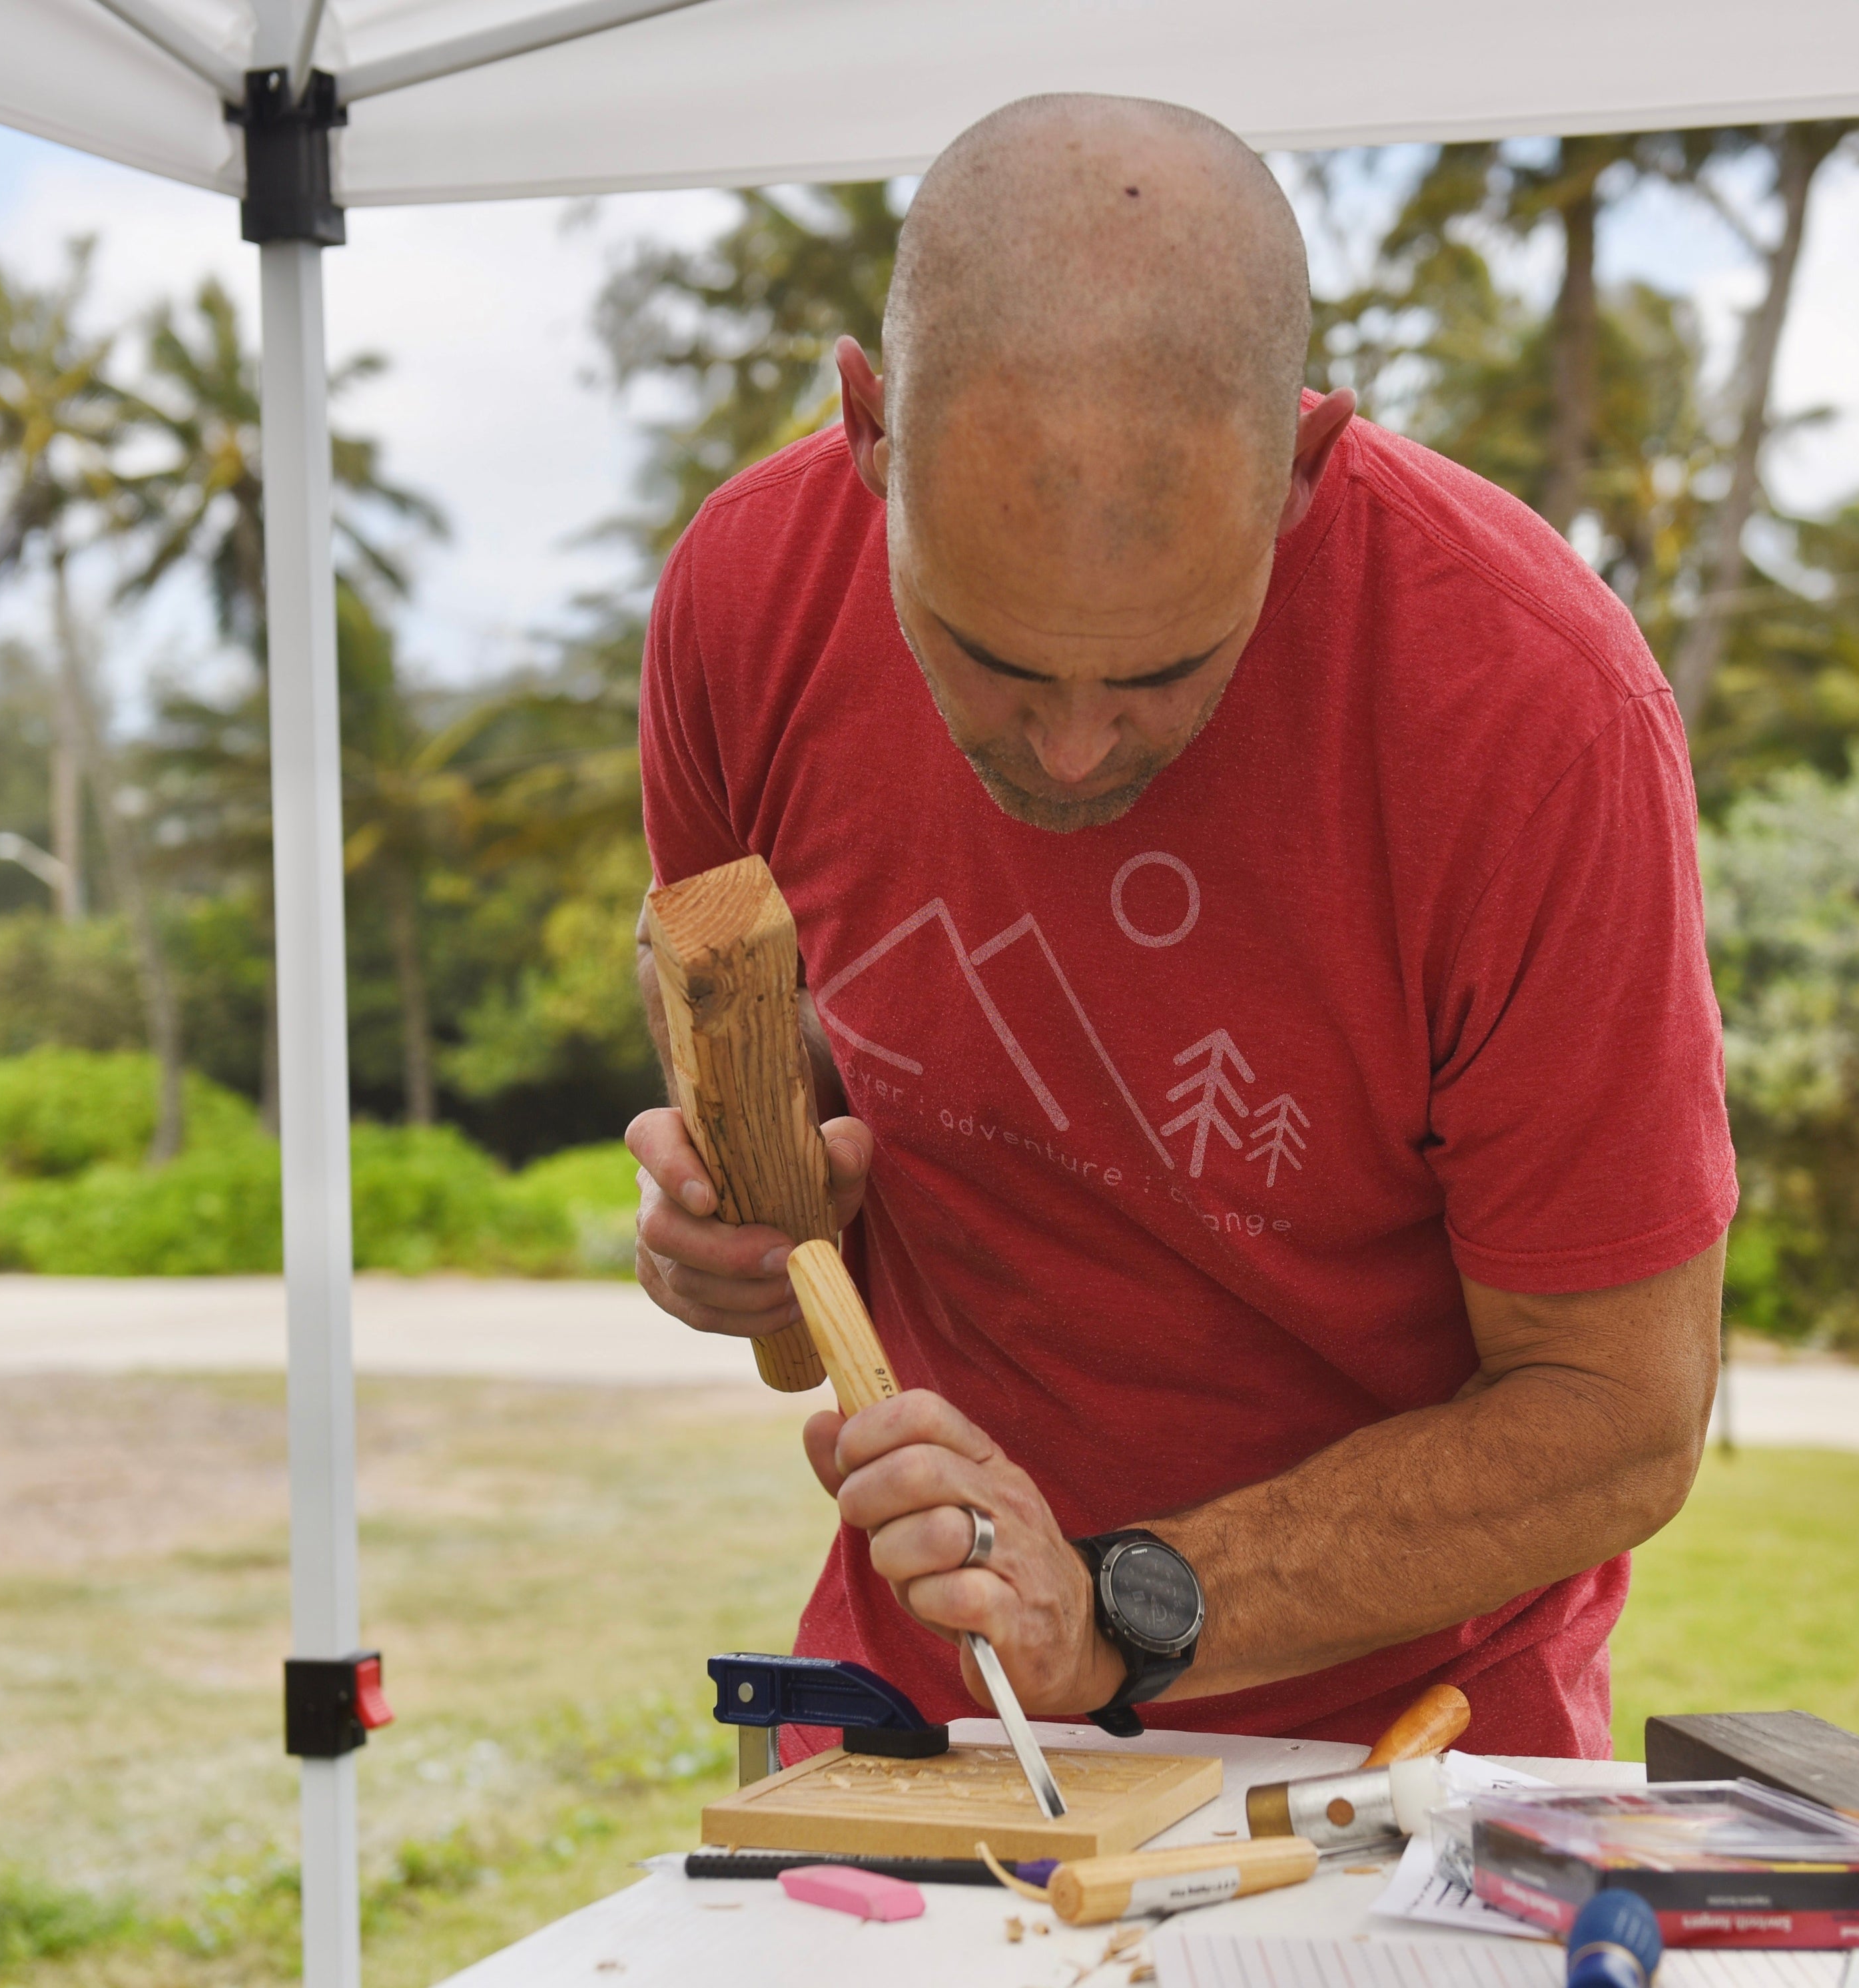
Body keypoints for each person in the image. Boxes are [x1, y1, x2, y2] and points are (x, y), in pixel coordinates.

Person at [627, 93, 1732, 1759]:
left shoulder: (1533, 715)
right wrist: (754, 1252)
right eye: (989, 653)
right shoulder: (746, 598)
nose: (1071, 750)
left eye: (1163, 668)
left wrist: (1119, 1606)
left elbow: (1617, 1419)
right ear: (870, 432)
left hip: (1401, 1743)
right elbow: (789, 1254)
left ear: (1302, 469)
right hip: (926, 1694)